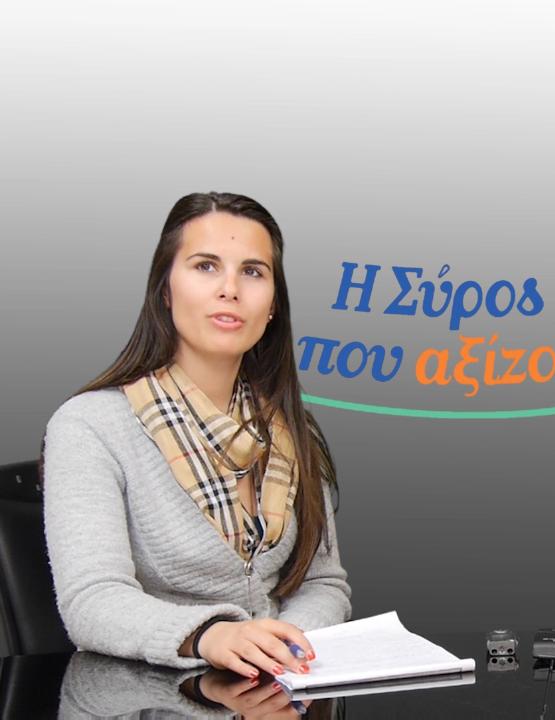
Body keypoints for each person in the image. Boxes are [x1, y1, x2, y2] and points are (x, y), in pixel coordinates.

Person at [42, 192, 352, 681]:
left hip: (276, 690)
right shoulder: (88, 426)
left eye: (253, 272)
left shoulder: (292, 428)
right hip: (151, 696)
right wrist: (214, 636)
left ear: (273, 305)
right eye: (206, 266)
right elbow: (92, 601)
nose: (230, 289)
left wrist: (282, 644)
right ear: (165, 290)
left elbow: (324, 584)